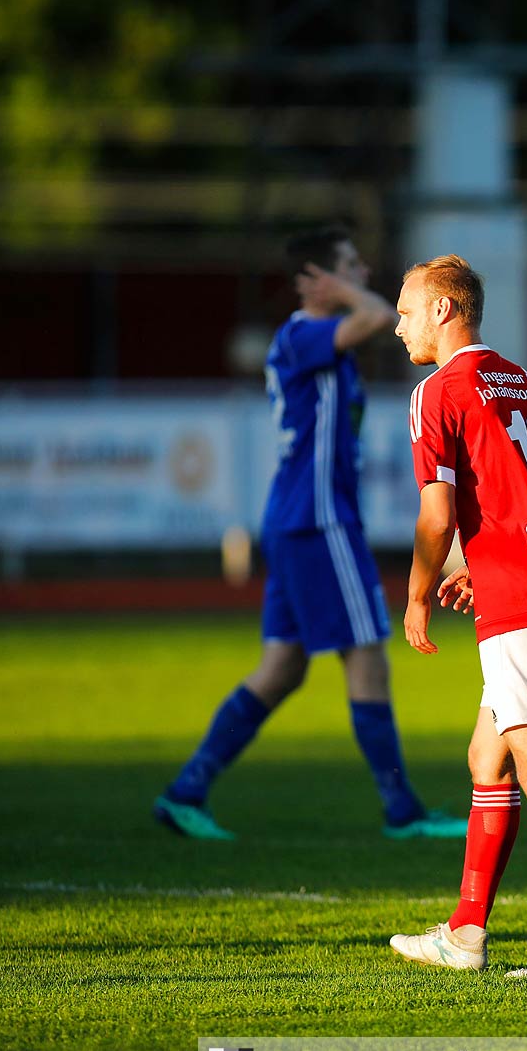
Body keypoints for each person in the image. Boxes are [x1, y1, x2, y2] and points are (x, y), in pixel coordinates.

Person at [154, 228, 462, 842]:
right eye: (347, 264)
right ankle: (401, 808)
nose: (362, 270)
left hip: (299, 517)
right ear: (317, 278)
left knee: (282, 668)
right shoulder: (305, 333)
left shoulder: (317, 344)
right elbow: (376, 314)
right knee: (369, 655)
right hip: (319, 520)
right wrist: (348, 291)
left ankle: (186, 789)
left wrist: (342, 285)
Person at [385, 254, 527, 976]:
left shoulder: (438, 391)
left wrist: (420, 591)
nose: (398, 327)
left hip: (526, 606)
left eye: (406, 310)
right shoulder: (525, 381)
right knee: (489, 757)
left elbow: (437, 514)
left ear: (443, 311)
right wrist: (500, 560)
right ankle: (466, 933)